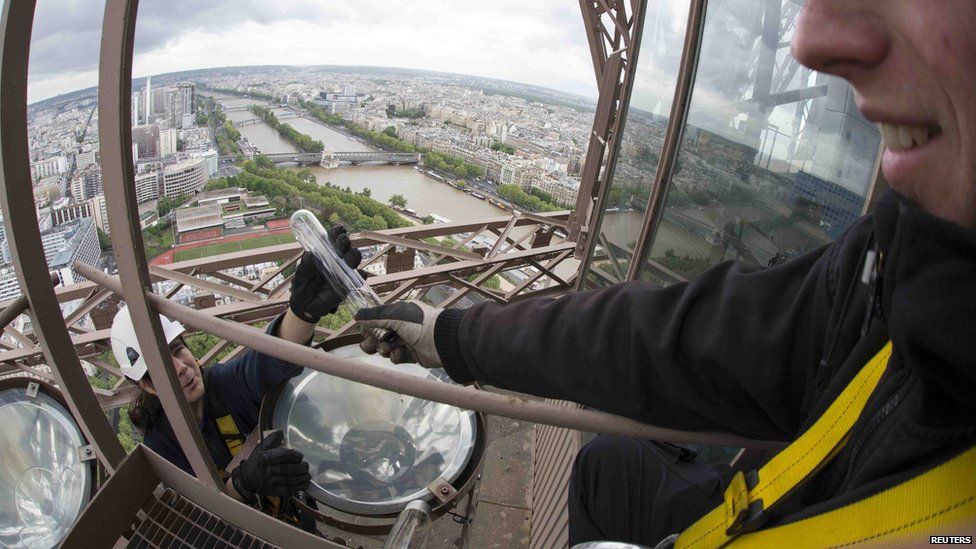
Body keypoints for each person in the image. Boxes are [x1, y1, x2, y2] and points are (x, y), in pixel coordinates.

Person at [355, 2, 976, 546]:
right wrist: (457, 336)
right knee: (610, 466)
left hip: (786, 500)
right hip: (778, 494)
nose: (813, 41)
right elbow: (675, 337)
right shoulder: (901, 261)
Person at [112, 225, 362, 512]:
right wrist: (241, 485)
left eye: (178, 350)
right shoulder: (161, 446)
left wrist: (303, 312)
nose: (181, 368)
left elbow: (267, 362)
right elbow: (196, 523)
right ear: (146, 385)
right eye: (160, 367)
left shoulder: (220, 386)